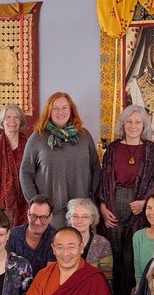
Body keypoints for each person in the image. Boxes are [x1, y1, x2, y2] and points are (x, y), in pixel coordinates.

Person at [98, 104, 154, 295]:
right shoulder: (113, 149)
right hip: (114, 202)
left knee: (133, 253)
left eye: (138, 122)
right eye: (129, 121)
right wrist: (102, 206)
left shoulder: (152, 150)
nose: (133, 126)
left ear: (144, 125)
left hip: (141, 206)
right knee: (115, 252)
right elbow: (104, 180)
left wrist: (145, 202)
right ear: (123, 124)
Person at [19, 91, 101, 228]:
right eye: (55, 108)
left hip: (81, 212)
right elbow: (25, 172)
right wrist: (35, 203)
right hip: (50, 213)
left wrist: (92, 200)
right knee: (51, 248)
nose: (60, 112)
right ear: (49, 111)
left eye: (64, 108)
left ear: (71, 110)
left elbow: (96, 168)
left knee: (81, 248)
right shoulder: (38, 137)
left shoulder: (84, 136)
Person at [66, 198, 113, 288]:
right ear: (69, 218)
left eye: (85, 217)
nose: (79, 220)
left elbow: (107, 279)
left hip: (93, 291)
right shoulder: (61, 241)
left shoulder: (103, 244)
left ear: (92, 220)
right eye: (75, 216)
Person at [6, 194, 56, 274]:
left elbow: (49, 275)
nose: (37, 222)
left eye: (43, 217)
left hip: (42, 284)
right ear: (27, 214)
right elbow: (6, 269)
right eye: (33, 216)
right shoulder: (13, 235)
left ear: (50, 217)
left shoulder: (55, 238)